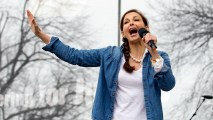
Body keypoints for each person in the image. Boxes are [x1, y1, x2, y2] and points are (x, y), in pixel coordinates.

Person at [27, 9, 175, 120]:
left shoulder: (160, 57)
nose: (131, 23)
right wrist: (41, 34)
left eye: (136, 20)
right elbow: (76, 56)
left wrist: (153, 52)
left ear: (146, 28)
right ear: (123, 33)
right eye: (126, 22)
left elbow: (168, 84)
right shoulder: (110, 55)